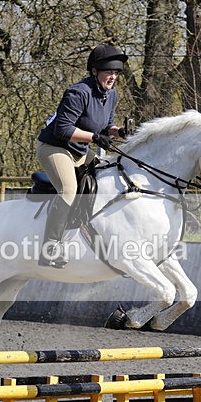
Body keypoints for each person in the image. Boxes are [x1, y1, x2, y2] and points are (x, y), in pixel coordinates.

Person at [36, 44, 128, 269]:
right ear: (95, 71)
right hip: (54, 147)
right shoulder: (78, 93)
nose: (113, 77)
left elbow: (105, 126)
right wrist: (95, 138)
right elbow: (62, 129)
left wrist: (118, 132)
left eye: (116, 73)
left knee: (109, 177)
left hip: (79, 151)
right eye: (109, 72)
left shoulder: (110, 94)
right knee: (69, 189)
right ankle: (51, 248)